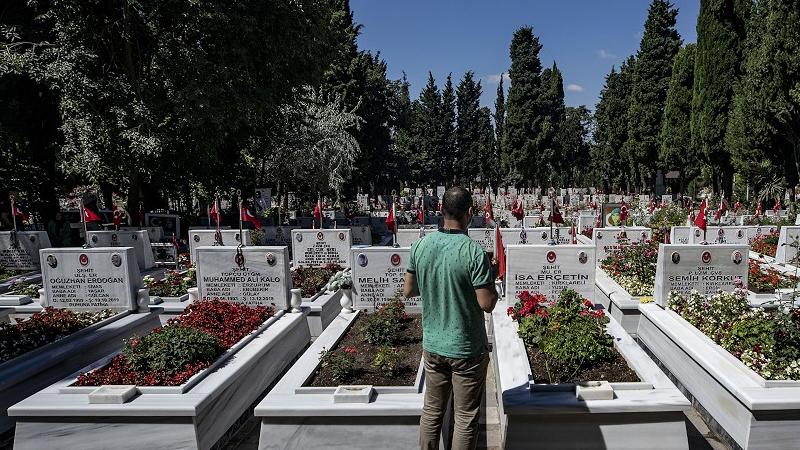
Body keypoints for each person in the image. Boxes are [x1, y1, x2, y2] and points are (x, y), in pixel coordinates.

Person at [403, 186, 498, 450]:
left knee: (432, 412)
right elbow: (486, 304)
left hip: (433, 345)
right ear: (470, 213)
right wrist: (493, 286)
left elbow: (409, 289)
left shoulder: (421, 246)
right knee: (465, 418)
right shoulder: (474, 252)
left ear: (440, 211)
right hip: (466, 349)